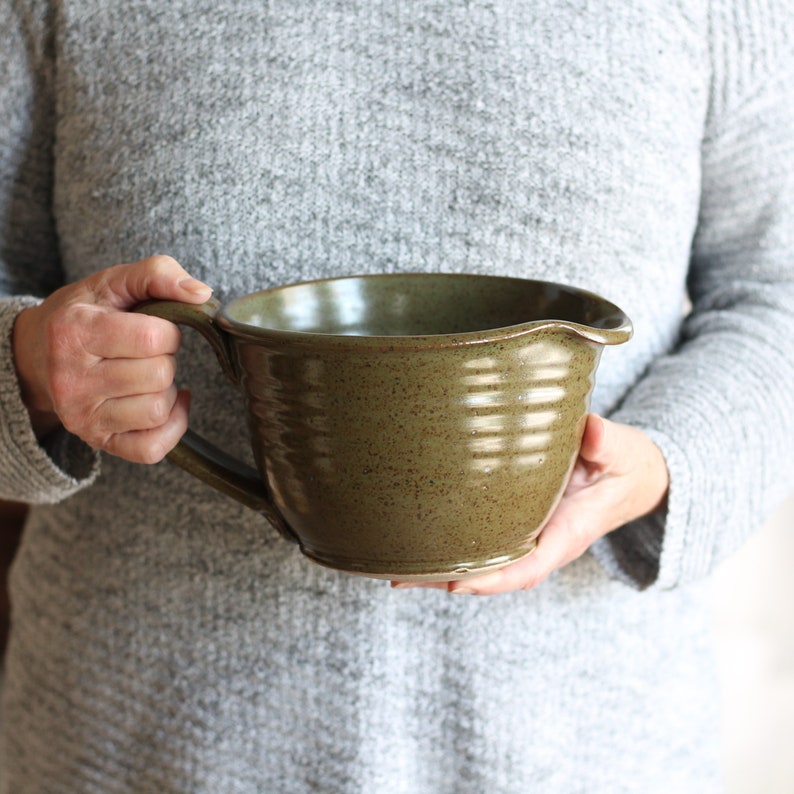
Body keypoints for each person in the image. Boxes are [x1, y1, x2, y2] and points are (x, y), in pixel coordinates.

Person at [1, 1, 792, 791]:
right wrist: (33, 360)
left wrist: (664, 461)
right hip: (138, 745)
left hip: (586, 748)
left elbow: (776, 293)